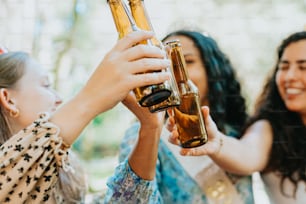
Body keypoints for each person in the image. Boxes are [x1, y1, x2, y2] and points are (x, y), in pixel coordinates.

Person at [0, 30, 171, 203]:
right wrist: (92, 96)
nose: (59, 99)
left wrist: (151, 128)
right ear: (8, 99)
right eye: (46, 85)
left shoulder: (65, 173)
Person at [112, 29, 254, 203]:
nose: (173, 71)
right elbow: (128, 200)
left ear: (212, 69)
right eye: (163, 64)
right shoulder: (141, 135)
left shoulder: (239, 129)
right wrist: (151, 127)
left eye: (186, 61)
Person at [168, 31, 306, 204]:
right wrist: (217, 142)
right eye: (284, 67)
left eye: (303, 67)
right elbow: (246, 153)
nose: (290, 76)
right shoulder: (269, 127)